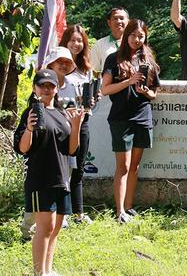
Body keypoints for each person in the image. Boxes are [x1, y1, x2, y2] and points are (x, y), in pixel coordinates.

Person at [13, 69, 83, 276]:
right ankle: (39, 273)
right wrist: (29, 129)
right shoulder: (32, 112)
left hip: (62, 178)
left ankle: (48, 270)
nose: (46, 89)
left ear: (57, 88)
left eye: (50, 85)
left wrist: (76, 125)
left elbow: (71, 150)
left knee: (56, 227)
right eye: (42, 85)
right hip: (40, 178)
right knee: (45, 227)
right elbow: (22, 149)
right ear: (35, 88)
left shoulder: (62, 113)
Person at [101, 19, 160, 223]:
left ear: (145, 37)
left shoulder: (148, 61)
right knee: (123, 166)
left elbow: (154, 93)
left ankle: (129, 206)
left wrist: (146, 92)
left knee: (135, 166)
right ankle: (119, 212)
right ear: (126, 36)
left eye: (141, 36)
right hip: (121, 118)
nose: (137, 39)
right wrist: (128, 81)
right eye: (133, 35)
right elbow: (104, 89)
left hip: (143, 116)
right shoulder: (113, 59)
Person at [59, 25, 95, 224]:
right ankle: (62, 214)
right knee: (64, 168)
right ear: (65, 41)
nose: (76, 44)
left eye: (80, 40)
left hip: (83, 122)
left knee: (79, 168)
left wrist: (92, 100)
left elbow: (87, 101)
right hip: (62, 123)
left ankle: (78, 213)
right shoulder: (57, 66)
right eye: (72, 40)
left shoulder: (86, 69)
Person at [90, 7, 129, 74]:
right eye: (115, 18)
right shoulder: (99, 44)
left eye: (122, 18)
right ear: (109, 22)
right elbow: (94, 71)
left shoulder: (134, 44)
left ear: (128, 22)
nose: (119, 21)